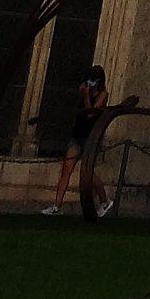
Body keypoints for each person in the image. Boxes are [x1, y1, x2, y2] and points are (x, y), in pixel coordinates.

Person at [44, 65, 108, 214]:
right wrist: (81, 94)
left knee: (87, 173)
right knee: (67, 169)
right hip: (77, 134)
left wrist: (86, 96)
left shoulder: (102, 95)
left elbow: (90, 114)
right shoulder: (83, 89)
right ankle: (56, 206)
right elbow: (78, 110)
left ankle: (104, 200)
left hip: (90, 138)